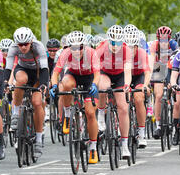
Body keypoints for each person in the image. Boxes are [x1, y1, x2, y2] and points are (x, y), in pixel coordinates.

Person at [50, 31, 100, 163]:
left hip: (89, 79)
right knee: (65, 84)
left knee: (90, 113)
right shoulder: (65, 53)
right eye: (73, 48)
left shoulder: (91, 53)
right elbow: (56, 73)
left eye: (80, 48)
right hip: (73, 75)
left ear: (84, 46)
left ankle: (93, 149)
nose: (77, 51)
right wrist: (54, 86)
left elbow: (97, 74)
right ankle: (67, 116)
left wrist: (95, 84)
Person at [3, 27, 49, 158]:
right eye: (20, 45)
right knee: (20, 81)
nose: (23, 47)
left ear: (31, 41)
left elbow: (45, 68)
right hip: (23, 69)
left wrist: (44, 85)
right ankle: (16, 113)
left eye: (25, 44)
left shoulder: (38, 46)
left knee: (36, 102)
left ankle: (39, 140)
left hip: (39, 73)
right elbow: (8, 67)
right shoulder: (13, 47)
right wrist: (6, 82)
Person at [96, 25, 132, 158]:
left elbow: (128, 71)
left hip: (119, 75)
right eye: (112, 42)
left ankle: (124, 145)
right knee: (103, 87)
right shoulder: (102, 47)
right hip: (105, 72)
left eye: (117, 42)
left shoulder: (126, 50)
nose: (115, 45)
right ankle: (100, 114)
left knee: (123, 108)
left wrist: (127, 84)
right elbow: (94, 68)